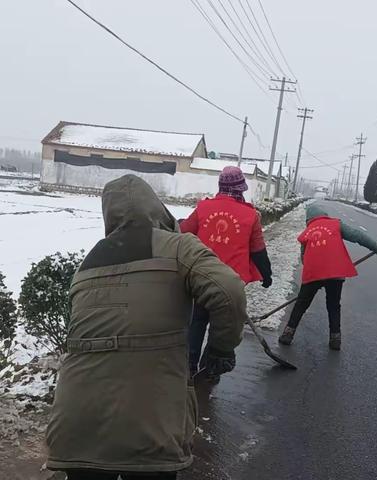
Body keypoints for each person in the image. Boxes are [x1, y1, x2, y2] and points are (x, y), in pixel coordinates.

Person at [46, 174, 248, 480]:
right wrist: (220, 348)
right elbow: (228, 290)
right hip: (149, 425)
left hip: (75, 423)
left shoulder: (87, 264)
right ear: (157, 208)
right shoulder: (179, 247)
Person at [181, 166, 272, 375]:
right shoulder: (251, 215)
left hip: (200, 278)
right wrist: (267, 275)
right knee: (222, 326)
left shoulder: (204, 208)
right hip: (231, 284)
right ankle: (209, 368)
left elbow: (183, 232)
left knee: (197, 320)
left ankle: (189, 365)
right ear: (240, 188)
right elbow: (258, 251)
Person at [278, 201, 377, 350]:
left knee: (301, 304)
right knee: (333, 306)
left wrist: (314, 278)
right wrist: (374, 246)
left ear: (309, 220)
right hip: (335, 272)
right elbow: (356, 235)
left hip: (314, 272)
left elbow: (304, 258)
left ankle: (288, 334)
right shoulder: (336, 225)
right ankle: (335, 339)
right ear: (324, 216)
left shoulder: (307, 232)